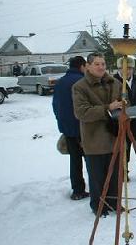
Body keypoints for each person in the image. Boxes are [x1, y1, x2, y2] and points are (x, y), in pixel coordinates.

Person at [72, 52, 123, 216]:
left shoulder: (115, 83)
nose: (101, 67)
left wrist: (125, 108)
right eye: (97, 64)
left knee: (115, 175)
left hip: (114, 137)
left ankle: (114, 202)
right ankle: (99, 206)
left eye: (103, 64)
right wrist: (108, 108)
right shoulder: (80, 87)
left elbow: (124, 103)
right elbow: (81, 112)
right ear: (88, 66)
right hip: (94, 139)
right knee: (97, 177)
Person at [52, 55, 89, 200]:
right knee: (90, 159)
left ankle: (78, 190)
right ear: (82, 66)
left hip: (67, 128)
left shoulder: (60, 82)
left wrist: (61, 122)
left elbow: (55, 105)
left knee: (75, 160)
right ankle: (98, 188)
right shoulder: (82, 82)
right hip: (82, 127)